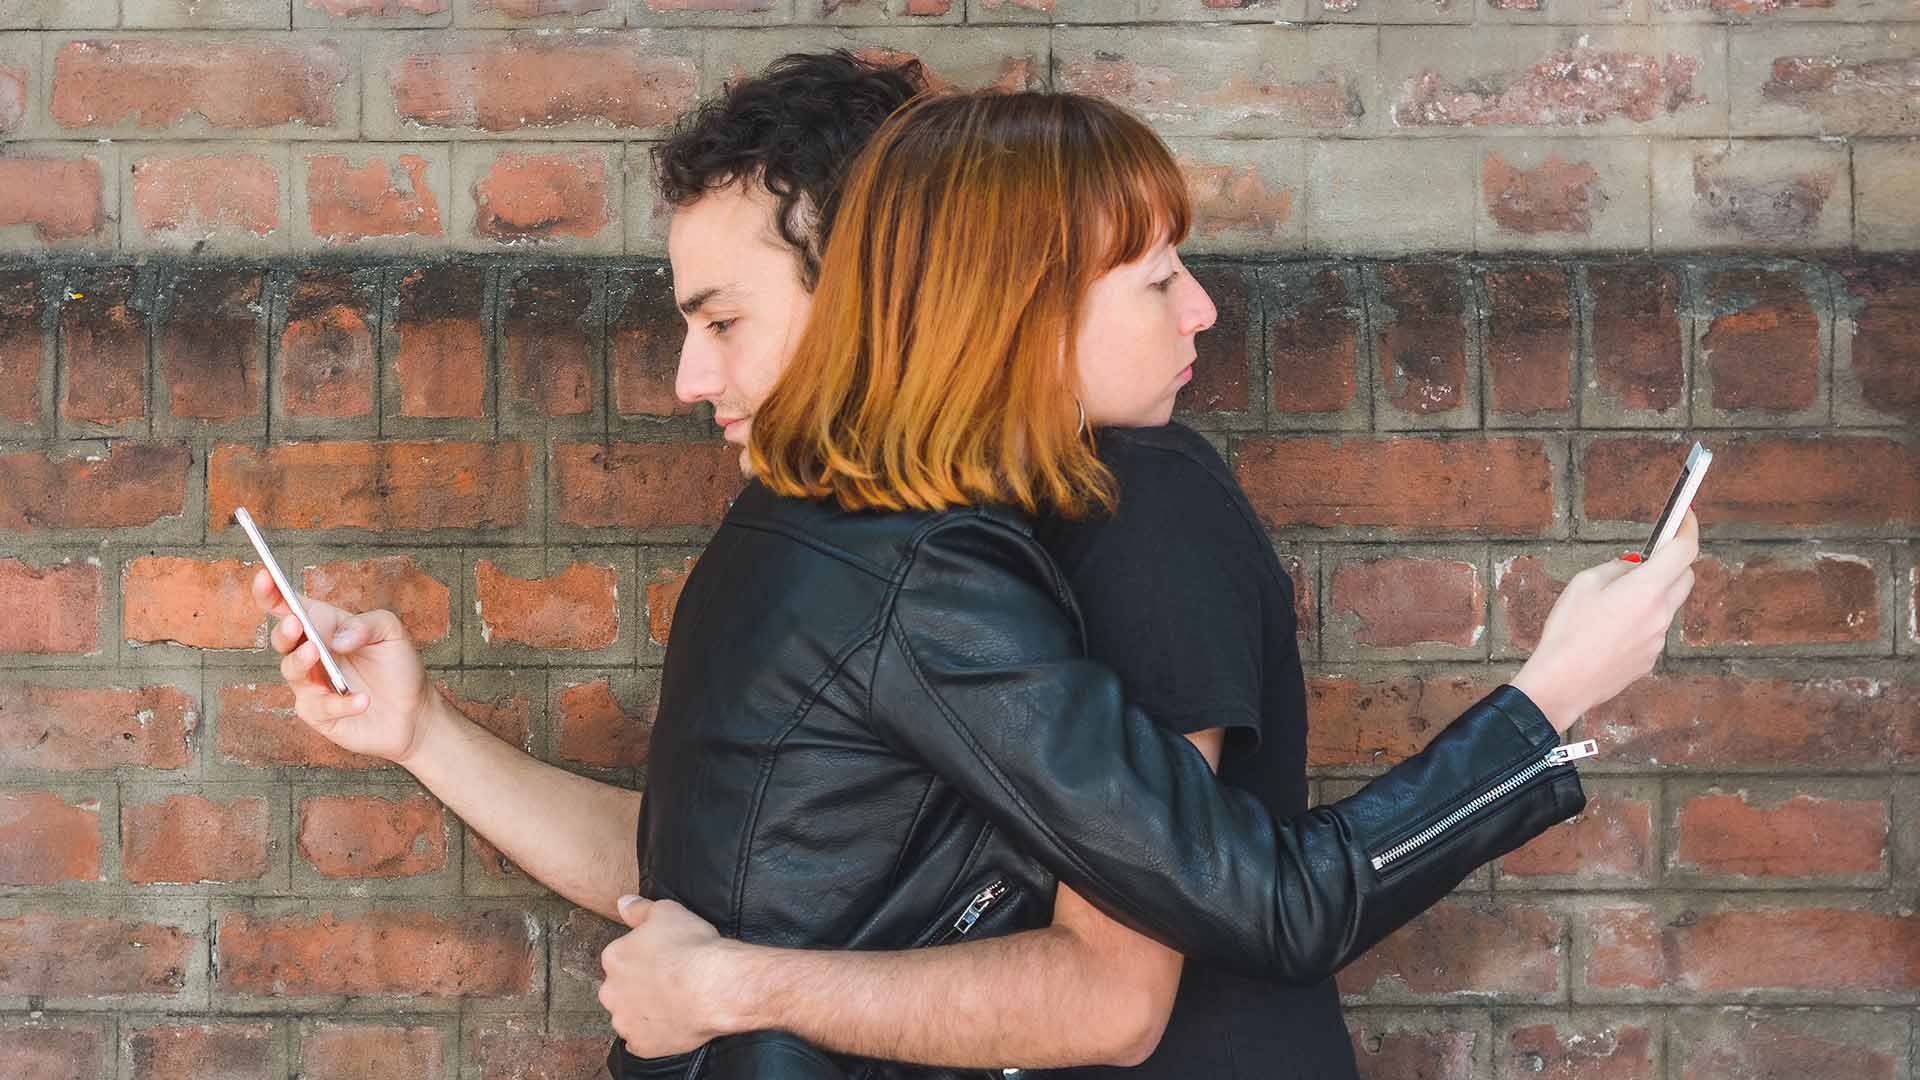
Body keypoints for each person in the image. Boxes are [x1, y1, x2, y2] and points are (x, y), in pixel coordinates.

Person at [249, 62, 1700, 1080]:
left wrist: (1550, 695)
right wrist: (425, 736)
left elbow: (1127, 981)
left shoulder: (1121, 510)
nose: (691, 377)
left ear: (892, 290)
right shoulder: (870, 544)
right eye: (1156, 277)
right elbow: (732, 871)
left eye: (725, 320)